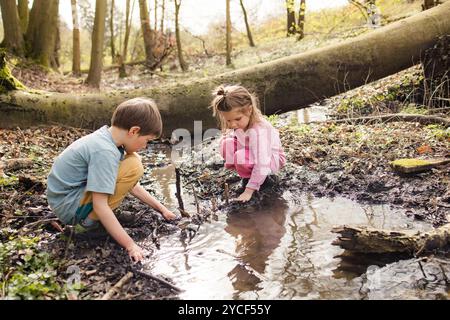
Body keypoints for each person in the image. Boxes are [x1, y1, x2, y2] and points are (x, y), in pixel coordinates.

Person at [46, 98, 177, 262]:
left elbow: (132, 185)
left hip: (67, 199)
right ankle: (86, 226)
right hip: (69, 206)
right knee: (134, 165)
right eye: (147, 141)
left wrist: (162, 209)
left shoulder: (107, 139)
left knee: (133, 162)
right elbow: (99, 204)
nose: (145, 146)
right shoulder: (105, 152)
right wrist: (130, 245)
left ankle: (94, 219)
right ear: (134, 131)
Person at [210, 84, 286, 202]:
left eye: (237, 119)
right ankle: (248, 174)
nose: (233, 124)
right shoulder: (241, 123)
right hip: (252, 152)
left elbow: (263, 162)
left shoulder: (258, 131)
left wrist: (248, 191)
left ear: (249, 110)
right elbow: (235, 137)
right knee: (226, 143)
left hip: (271, 159)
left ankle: (264, 181)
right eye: (228, 120)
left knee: (240, 157)